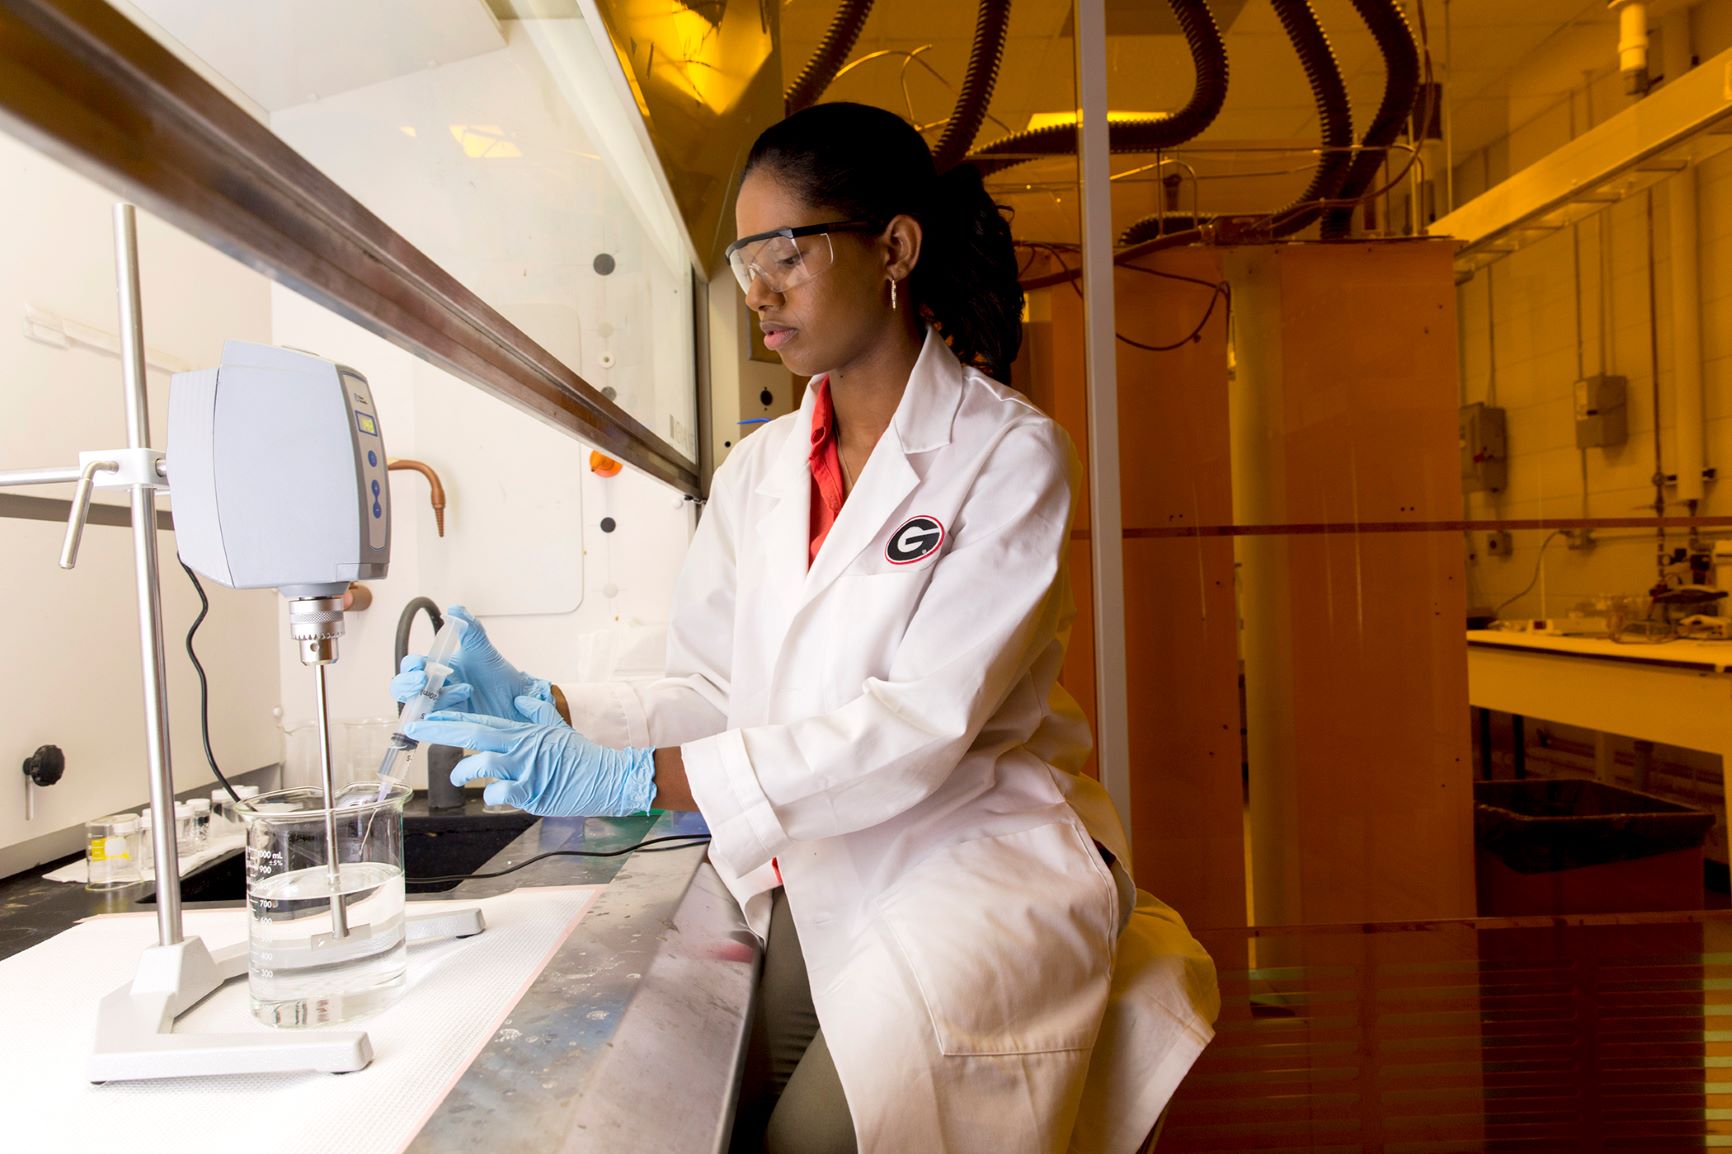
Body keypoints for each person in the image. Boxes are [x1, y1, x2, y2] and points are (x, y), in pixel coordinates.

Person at [395, 101, 1218, 1154]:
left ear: (894, 248)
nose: (759, 292)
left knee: (812, 1138)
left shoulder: (1007, 455)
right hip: (820, 867)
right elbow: (711, 685)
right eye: (744, 261)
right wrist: (547, 705)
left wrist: (635, 780)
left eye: (784, 251)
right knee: (728, 1100)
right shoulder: (760, 472)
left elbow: (916, 727)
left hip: (967, 868)